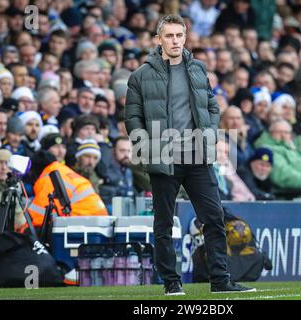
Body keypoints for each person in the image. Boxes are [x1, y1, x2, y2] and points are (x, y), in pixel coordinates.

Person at [125, 14, 255, 295]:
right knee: (163, 224)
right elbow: (132, 117)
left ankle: (220, 281)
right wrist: (147, 148)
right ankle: (171, 283)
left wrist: (208, 132)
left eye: (179, 35)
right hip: (163, 157)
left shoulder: (197, 69)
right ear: (158, 39)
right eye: (169, 36)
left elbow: (212, 106)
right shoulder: (140, 75)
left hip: (197, 155)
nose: (175, 41)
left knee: (214, 218)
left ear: (185, 38)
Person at [27, 150, 108, 228]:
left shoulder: (47, 178)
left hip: (85, 224)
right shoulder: (63, 170)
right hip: (100, 221)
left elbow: (39, 216)